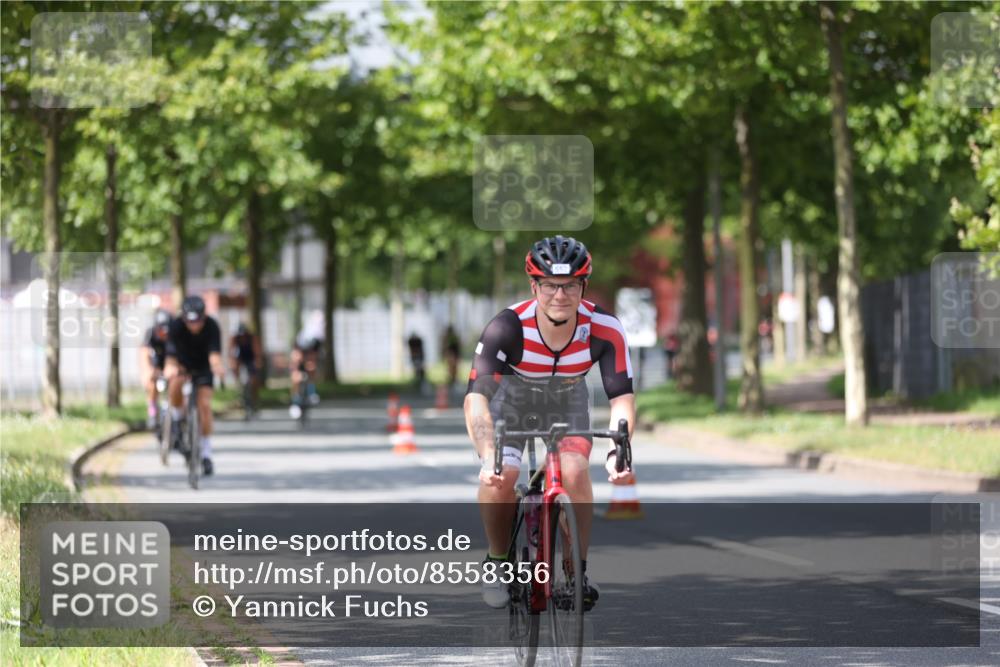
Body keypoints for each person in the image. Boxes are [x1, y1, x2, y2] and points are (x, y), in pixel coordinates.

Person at [463, 235, 636, 611]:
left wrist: (617, 452)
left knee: (574, 470)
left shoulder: (604, 327)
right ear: (534, 286)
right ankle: (497, 560)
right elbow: (476, 397)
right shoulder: (507, 327)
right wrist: (487, 450)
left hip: (567, 398)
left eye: (571, 284)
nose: (560, 295)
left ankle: (576, 571)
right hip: (513, 400)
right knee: (502, 474)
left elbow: (621, 398)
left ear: (583, 286)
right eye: (550, 286)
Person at [164, 295, 224, 476]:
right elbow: (170, 357)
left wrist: (218, 367)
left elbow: (215, 354)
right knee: (174, 383)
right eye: (190, 321)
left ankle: (206, 453)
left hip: (204, 367)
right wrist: (171, 369)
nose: (194, 325)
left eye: (198, 321)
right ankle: (175, 418)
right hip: (182, 366)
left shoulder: (212, 326)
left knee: (204, 405)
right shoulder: (175, 327)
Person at [140, 309, 172, 430]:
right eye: (161, 330)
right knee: (153, 383)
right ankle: (152, 410)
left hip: (173, 363)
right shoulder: (151, 333)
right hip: (157, 363)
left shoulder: (176, 335)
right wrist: (147, 370)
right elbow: (144, 353)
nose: (164, 333)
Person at [229, 322, 261, 412]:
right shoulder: (235, 339)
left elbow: (257, 351)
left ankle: (254, 400)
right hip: (240, 358)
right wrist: (232, 364)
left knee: (254, 379)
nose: (242, 337)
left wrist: (257, 361)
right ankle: (239, 388)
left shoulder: (252, 338)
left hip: (251, 358)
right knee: (235, 367)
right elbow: (231, 352)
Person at [289, 333, 321, 417]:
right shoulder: (296, 352)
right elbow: (294, 366)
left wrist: (311, 368)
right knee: (295, 378)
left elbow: (313, 364)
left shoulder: (312, 349)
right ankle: (295, 401)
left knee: (312, 371)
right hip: (298, 367)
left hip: (308, 366)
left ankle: (312, 392)